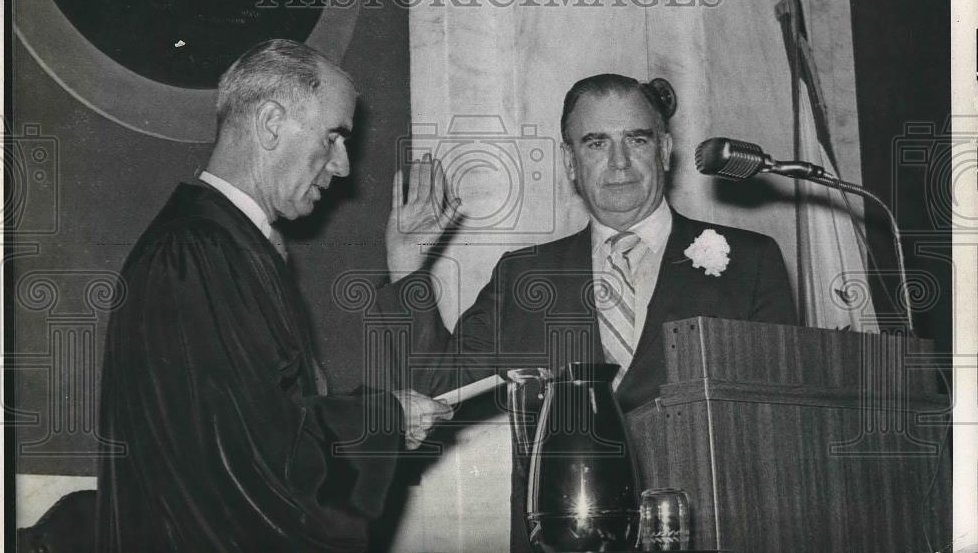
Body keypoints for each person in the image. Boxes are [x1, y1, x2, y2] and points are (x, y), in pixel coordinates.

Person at [384, 73, 798, 550]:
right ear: (569, 161)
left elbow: (783, 426)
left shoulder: (750, 262)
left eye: (637, 140)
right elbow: (434, 387)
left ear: (664, 150)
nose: (619, 162)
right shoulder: (525, 276)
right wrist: (407, 265)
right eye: (596, 143)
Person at [96, 39, 453, 552]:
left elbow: (260, 421)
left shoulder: (218, 246)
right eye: (333, 137)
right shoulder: (196, 254)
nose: (343, 166)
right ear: (270, 124)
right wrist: (384, 417)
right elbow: (254, 460)